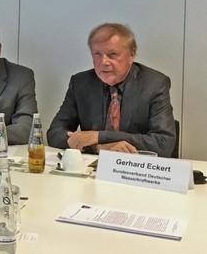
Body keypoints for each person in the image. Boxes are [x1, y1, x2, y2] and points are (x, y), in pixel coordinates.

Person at [47, 22, 176, 157]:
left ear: (132, 55)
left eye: (112, 54)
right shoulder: (81, 83)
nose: (104, 62)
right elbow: (55, 133)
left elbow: (163, 143)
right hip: (91, 170)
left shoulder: (154, 84)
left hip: (136, 170)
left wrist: (99, 136)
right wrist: (98, 147)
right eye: (97, 54)